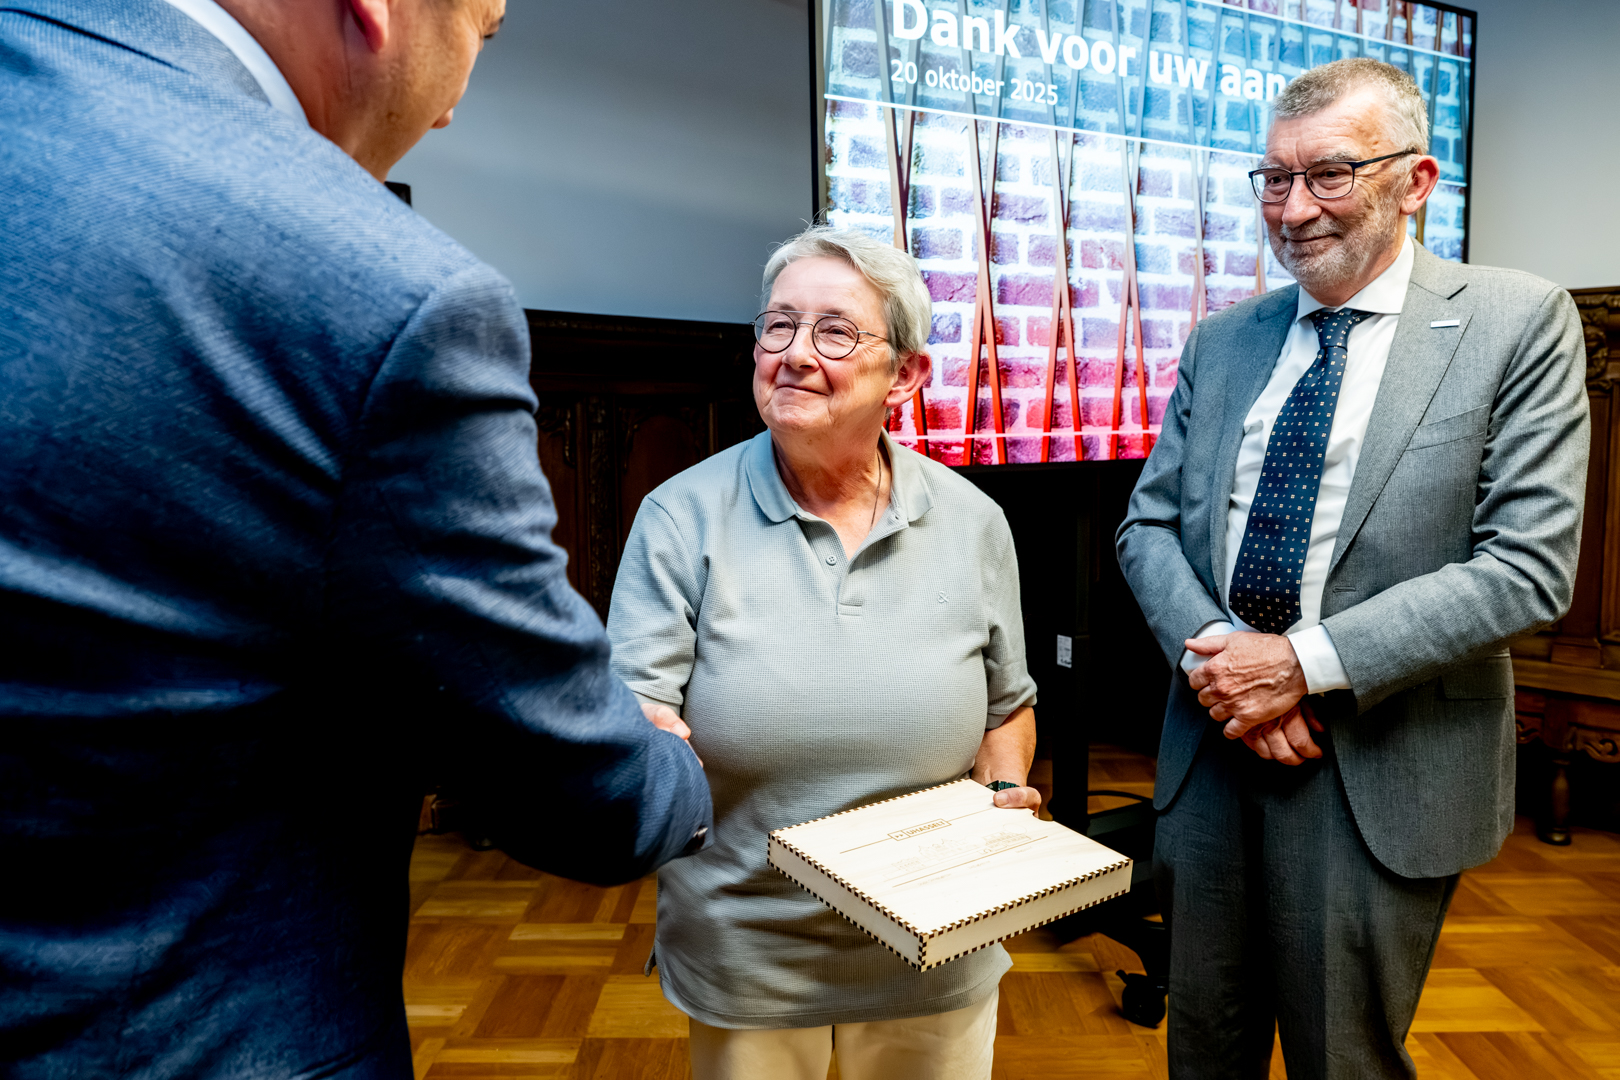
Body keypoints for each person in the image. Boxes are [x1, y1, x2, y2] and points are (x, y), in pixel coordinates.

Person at [0, 0, 711, 1076]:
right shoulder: (377, 291)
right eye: (480, 32)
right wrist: (673, 771)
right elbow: (579, 792)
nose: (452, 108)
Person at [1117, 57, 1589, 1079]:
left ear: (1416, 181)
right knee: (1203, 1050)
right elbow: (1146, 528)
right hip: (1212, 746)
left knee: (1346, 1061)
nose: (1293, 210)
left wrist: (1300, 667)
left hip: (1380, 762)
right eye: (1275, 179)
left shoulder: (1517, 321)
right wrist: (1227, 667)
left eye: (1329, 174)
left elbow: (1528, 565)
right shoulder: (1222, 340)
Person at [605, 226, 1040, 1080]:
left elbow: (1007, 707)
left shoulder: (974, 521)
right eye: (779, 325)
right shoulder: (679, 517)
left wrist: (1002, 794)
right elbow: (637, 710)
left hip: (938, 938)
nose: (795, 354)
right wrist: (643, 734)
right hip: (750, 948)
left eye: (835, 332)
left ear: (905, 375)